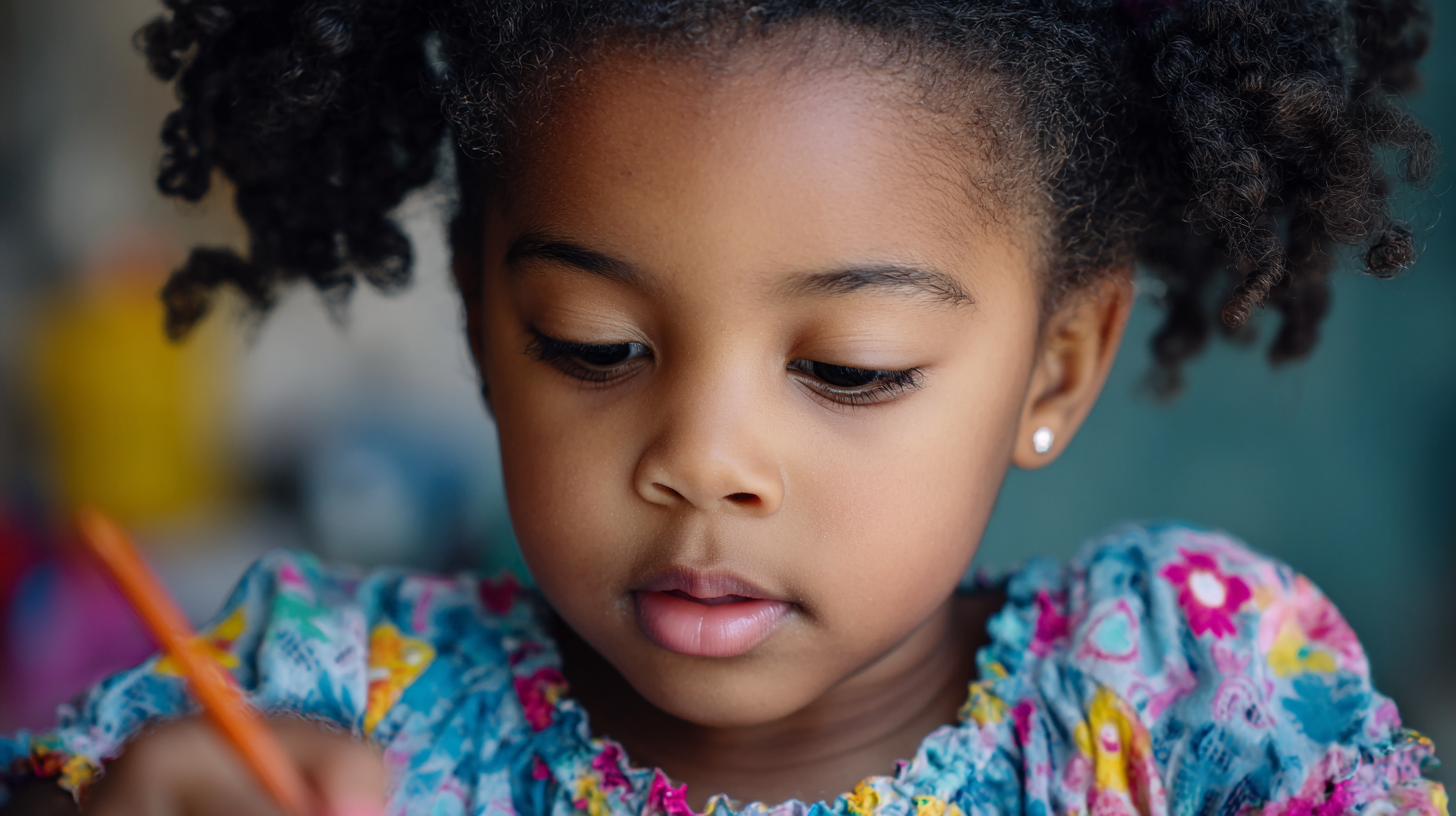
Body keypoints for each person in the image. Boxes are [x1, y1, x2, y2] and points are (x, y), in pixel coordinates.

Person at [0, 0, 1445, 814]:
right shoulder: (319, 699)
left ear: (1058, 364)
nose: (701, 462)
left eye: (850, 368)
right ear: (480, 319)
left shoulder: (1191, 701)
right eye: (592, 344)